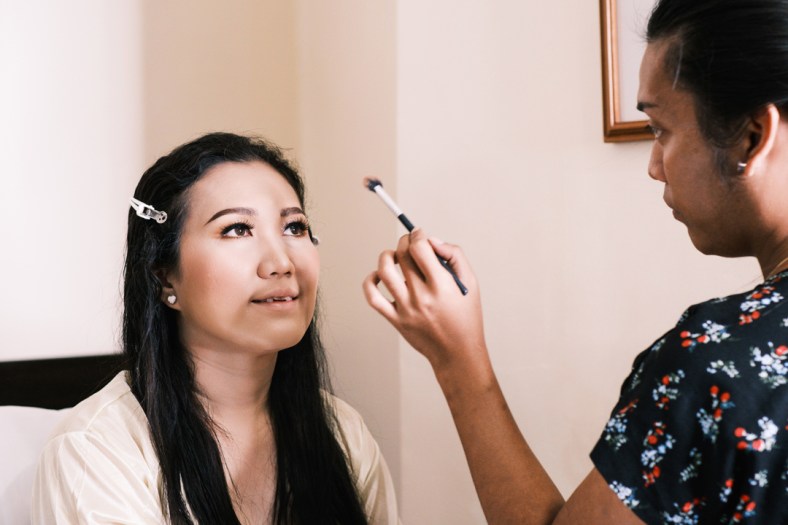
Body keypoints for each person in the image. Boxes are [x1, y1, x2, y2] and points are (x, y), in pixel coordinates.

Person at [363, 0, 788, 523]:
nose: (655, 167)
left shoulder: (715, 364)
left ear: (752, 137)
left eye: (661, 130)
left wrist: (459, 362)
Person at [33, 132, 400, 524]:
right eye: (237, 229)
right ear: (164, 278)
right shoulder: (97, 451)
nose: (280, 262)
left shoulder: (344, 434)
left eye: (294, 228)